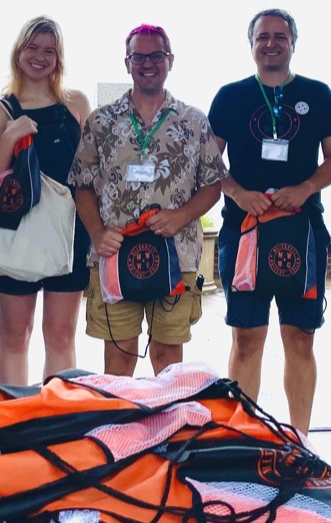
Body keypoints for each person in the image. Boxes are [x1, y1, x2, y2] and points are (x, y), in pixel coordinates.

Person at [209, 9, 331, 436]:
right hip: (243, 231)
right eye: (263, 36)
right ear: (251, 44)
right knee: (246, 338)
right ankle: (244, 435)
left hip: (301, 233)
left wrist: (305, 188)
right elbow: (208, 161)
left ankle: (298, 439)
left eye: (280, 36)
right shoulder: (230, 96)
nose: (271, 43)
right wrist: (238, 193)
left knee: (300, 337)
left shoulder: (317, 94)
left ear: (293, 43)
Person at [69, 24, 227, 376]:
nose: (147, 63)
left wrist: (181, 216)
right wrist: (97, 234)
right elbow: (82, 185)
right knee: (120, 356)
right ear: (127, 63)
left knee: (168, 358)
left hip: (176, 255)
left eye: (156, 55)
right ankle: (120, 415)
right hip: (114, 255)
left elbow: (213, 185)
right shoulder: (100, 121)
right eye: (138, 56)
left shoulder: (194, 121)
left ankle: (167, 414)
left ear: (170, 60)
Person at [0, 17, 91, 385]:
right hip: (15, 232)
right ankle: (15, 410)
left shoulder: (77, 104)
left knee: (61, 335)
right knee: (15, 336)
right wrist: (9, 137)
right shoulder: (0, 111)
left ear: (59, 59)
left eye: (49, 51)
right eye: (32, 47)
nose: (40, 57)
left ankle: (55, 412)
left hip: (68, 232)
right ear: (18, 52)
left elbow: (92, 170)